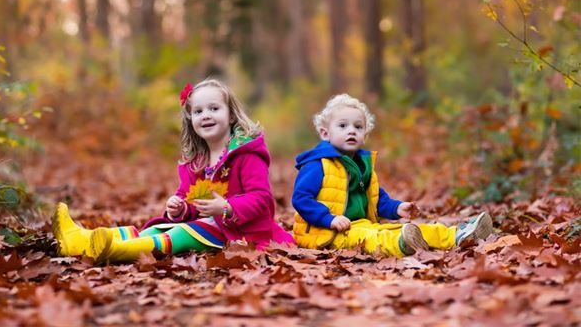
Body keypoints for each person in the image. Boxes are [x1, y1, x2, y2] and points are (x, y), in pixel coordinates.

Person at [53, 79, 294, 264]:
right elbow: (189, 201)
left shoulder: (247, 154)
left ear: (230, 115)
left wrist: (226, 207)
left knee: (183, 233)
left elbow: (262, 199)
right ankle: (81, 239)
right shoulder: (196, 162)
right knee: (156, 229)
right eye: (198, 112)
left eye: (214, 108)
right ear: (191, 120)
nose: (206, 115)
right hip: (209, 226)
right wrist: (179, 209)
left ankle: (114, 251)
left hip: (239, 233)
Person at [291, 94, 492, 257]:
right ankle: (402, 244)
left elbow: (377, 199)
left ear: (365, 136)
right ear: (325, 134)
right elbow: (301, 199)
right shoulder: (318, 164)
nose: (351, 131)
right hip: (325, 232)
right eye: (343, 126)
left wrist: (397, 208)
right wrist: (328, 218)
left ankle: (457, 235)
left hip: (359, 225)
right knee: (370, 238)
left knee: (403, 228)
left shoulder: (363, 165)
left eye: (358, 127)